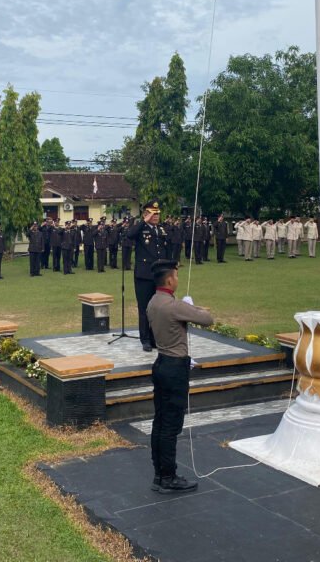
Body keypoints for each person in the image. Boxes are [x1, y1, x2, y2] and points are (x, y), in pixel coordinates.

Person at [146, 259, 214, 493]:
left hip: (162, 362)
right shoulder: (173, 306)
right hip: (174, 368)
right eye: (175, 276)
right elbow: (207, 319)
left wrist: (187, 307)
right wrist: (192, 307)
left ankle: (159, 474)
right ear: (169, 280)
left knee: (160, 421)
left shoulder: (153, 301)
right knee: (171, 425)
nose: (177, 280)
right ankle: (168, 476)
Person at [126, 199, 168, 351]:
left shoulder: (160, 230)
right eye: (152, 214)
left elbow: (165, 251)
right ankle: (145, 339)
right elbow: (129, 235)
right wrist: (144, 221)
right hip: (144, 275)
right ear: (146, 214)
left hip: (159, 275)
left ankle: (154, 338)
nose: (156, 217)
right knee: (144, 308)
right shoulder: (140, 228)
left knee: (158, 308)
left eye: (157, 214)